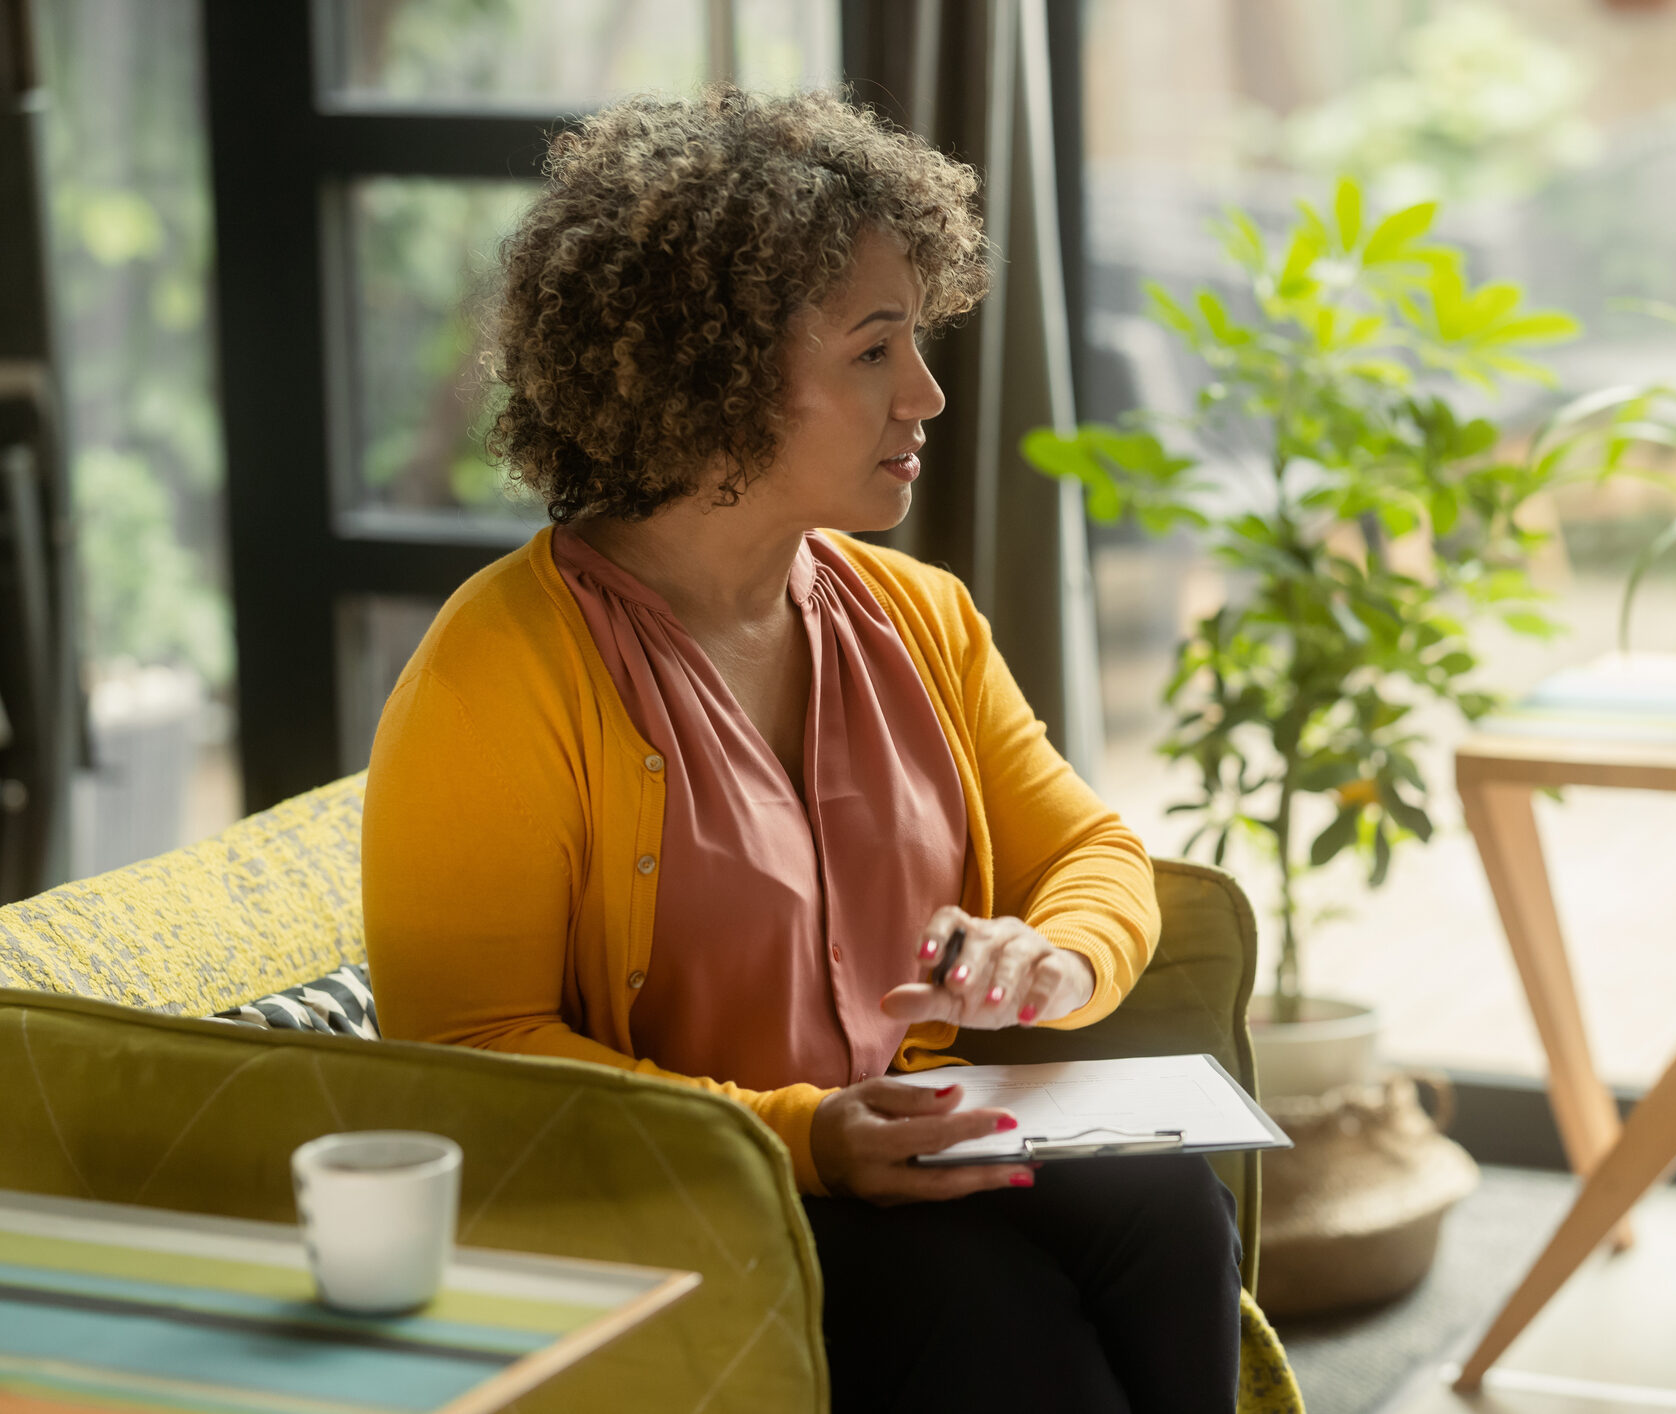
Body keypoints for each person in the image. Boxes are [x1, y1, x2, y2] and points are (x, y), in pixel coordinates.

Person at [361, 86, 1242, 1412]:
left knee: (1166, 1197)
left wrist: (1053, 955)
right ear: (706, 370)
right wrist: (801, 1135)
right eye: (874, 350)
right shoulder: (498, 669)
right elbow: (469, 1051)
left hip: (894, 1134)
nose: (929, 393)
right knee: (984, 1314)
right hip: (676, 1190)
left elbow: (1086, 849)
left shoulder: (916, 615)